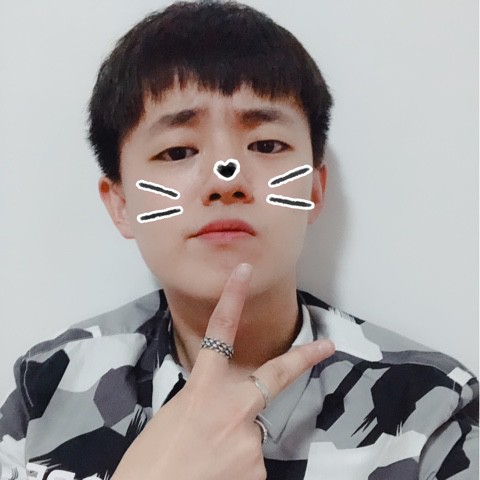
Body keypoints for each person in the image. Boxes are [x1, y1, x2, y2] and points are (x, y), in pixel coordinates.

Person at [0, 2, 477, 479]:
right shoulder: (48, 388)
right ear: (121, 204)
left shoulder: (430, 409)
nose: (225, 180)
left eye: (267, 145)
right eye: (178, 151)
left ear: (314, 191)